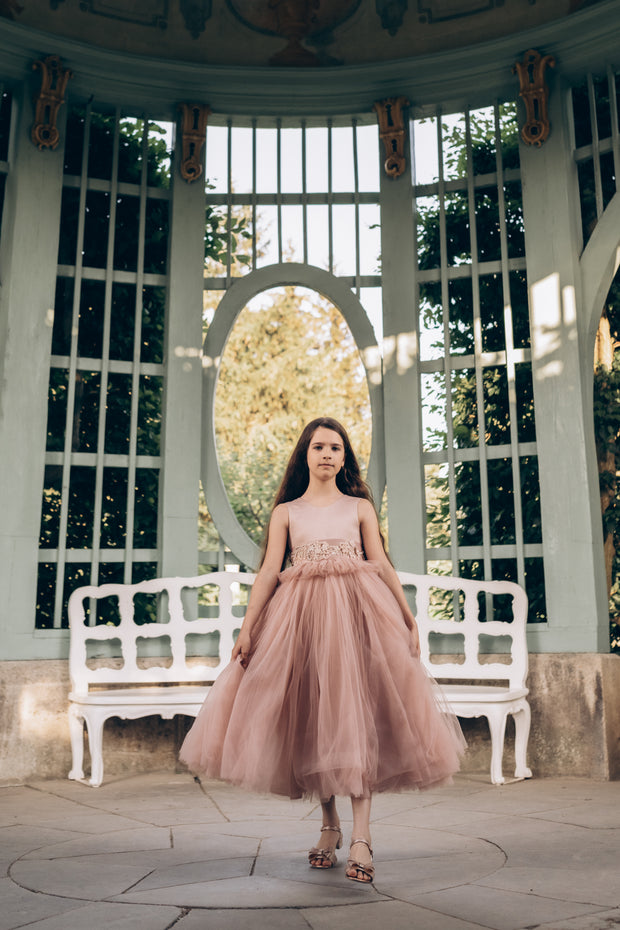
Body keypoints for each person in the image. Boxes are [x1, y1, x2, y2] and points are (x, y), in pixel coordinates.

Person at [180, 416, 465, 884]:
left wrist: (408, 616)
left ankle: (362, 836)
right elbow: (269, 572)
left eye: (336, 447)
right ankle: (330, 826)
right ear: (305, 455)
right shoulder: (286, 513)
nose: (328, 454)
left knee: (359, 717)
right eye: (318, 447)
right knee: (317, 719)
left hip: (359, 621)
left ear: (345, 456)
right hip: (302, 624)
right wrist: (247, 630)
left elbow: (381, 562)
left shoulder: (359, 507)